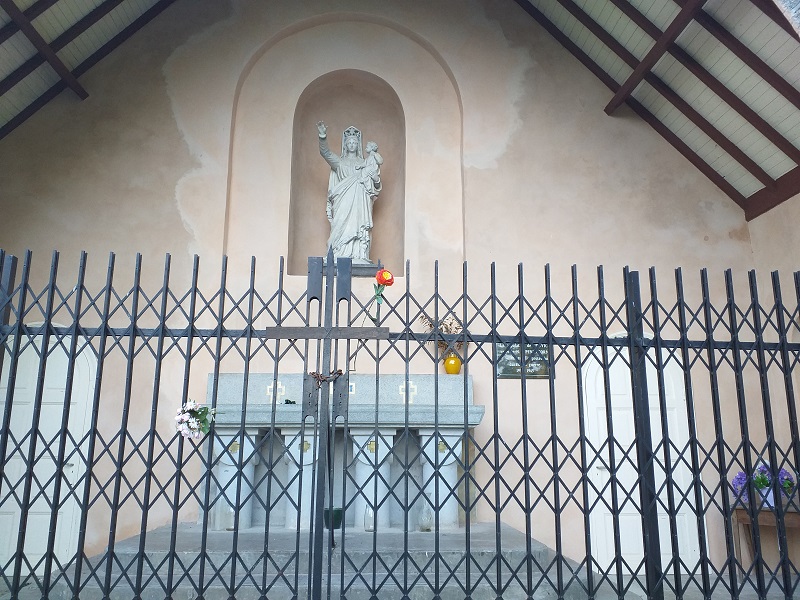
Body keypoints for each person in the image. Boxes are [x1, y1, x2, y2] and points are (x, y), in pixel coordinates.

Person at [317, 121, 383, 263]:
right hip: (343, 202)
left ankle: (359, 255)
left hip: (361, 202)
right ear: (345, 145)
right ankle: (337, 252)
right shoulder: (339, 162)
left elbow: (375, 187)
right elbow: (325, 152)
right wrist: (322, 137)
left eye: (354, 142)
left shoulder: (366, 163)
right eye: (349, 142)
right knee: (340, 224)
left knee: (359, 227)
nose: (352, 144)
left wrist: (375, 178)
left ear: (357, 145)